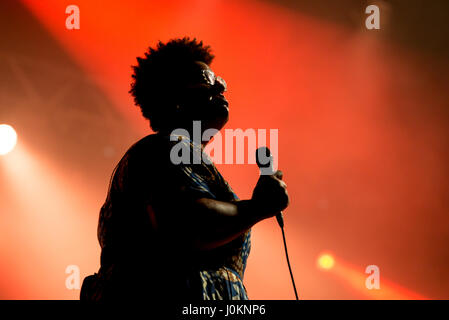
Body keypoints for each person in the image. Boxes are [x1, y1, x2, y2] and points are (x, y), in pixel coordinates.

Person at [80, 37, 289, 300]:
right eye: (207, 80)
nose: (221, 85)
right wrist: (258, 207)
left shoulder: (183, 155)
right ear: (175, 98)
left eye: (218, 79)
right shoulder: (161, 148)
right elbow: (184, 225)